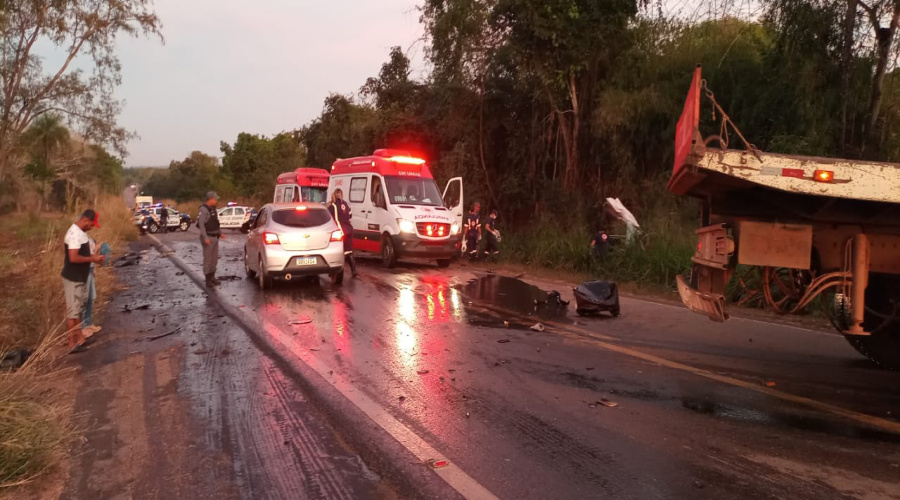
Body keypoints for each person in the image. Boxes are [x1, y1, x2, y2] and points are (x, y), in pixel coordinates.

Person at [62, 209, 106, 353]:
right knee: (72, 312)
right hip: (73, 278)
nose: (92, 227)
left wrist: (96, 258)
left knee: (78, 310)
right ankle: (72, 344)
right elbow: (73, 258)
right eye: (92, 224)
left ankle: (80, 339)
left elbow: (84, 254)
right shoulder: (74, 234)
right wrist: (91, 259)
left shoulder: (82, 233)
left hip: (80, 277)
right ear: (86, 220)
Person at [329, 189, 358, 277]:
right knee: (349, 250)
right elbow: (350, 215)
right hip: (349, 229)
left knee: (338, 252)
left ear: (334, 195)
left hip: (341, 231)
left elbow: (328, 217)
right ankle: (354, 271)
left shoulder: (333, 206)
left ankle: (335, 272)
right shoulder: (346, 204)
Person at [198, 191, 223, 288]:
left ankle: (212, 276)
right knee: (208, 259)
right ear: (210, 199)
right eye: (215, 199)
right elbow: (201, 225)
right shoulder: (203, 210)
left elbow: (216, 224)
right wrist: (205, 238)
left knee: (214, 259)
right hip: (208, 237)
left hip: (215, 236)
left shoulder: (213, 210)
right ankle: (208, 279)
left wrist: (220, 233)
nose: (216, 201)